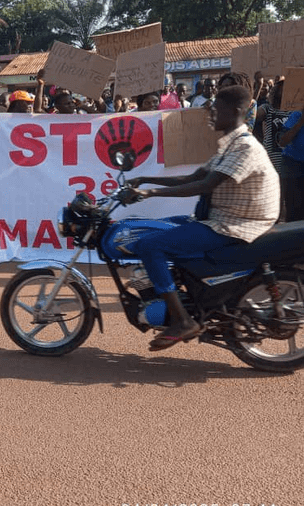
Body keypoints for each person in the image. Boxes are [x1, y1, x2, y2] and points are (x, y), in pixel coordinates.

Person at [120, 86, 279, 351]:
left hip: (236, 225)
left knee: (150, 245)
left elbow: (206, 185)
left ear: (237, 112)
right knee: (159, 228)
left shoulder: (245, 147)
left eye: (218, 108)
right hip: (225, 218)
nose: (212, 112)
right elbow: (194, 177)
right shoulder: (229, 144)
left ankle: (182, 320)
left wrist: (148, 193)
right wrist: (145, 179)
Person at [277, 106, 304, 222]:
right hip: (292, 167)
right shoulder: (296, 116)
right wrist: (301, 122)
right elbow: (283, 141)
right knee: (294, 210)